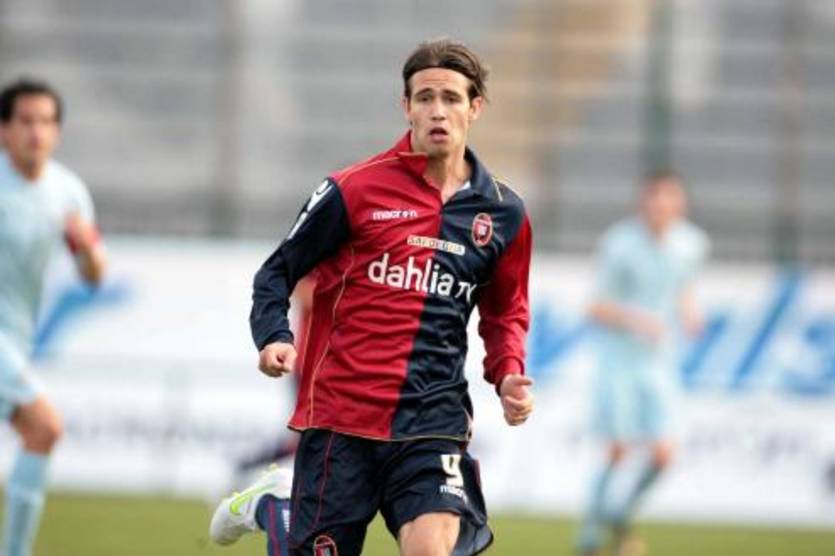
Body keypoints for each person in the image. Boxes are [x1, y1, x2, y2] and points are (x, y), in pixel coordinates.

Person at [211, 38, 534, 556]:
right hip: (342, 418)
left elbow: (506, 310)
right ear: (406, 106)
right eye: (425, 97)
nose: (437, 111)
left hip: (433, 420)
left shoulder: (503, 213)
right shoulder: (353, 190)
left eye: (451, 98)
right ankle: (275, 507)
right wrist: (273, 335)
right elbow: (277, 272)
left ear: (474, 108)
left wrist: (508, 370)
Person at [577, 171, 709, 556]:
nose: (661, 205)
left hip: (658, 363)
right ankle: (589, 538)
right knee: (618, 449)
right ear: (643, 202)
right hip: (618, 361)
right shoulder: (619, 243)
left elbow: (683, 287)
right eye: (654, 197)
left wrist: (690, 312)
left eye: (669, 197)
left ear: (680, 204)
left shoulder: (692, 244)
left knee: (664, 454)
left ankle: (619, 515)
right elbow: (595, 306)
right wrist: (638, 319)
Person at [0, 78, 106, 556]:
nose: (36, 132)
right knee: (44, 426)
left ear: (57, 131)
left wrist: (86, 247)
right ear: (4, 130)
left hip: (16, 338)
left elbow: (94, 277)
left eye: (45, 122)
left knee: (36, 434)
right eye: (25, 121)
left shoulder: (67, 192)